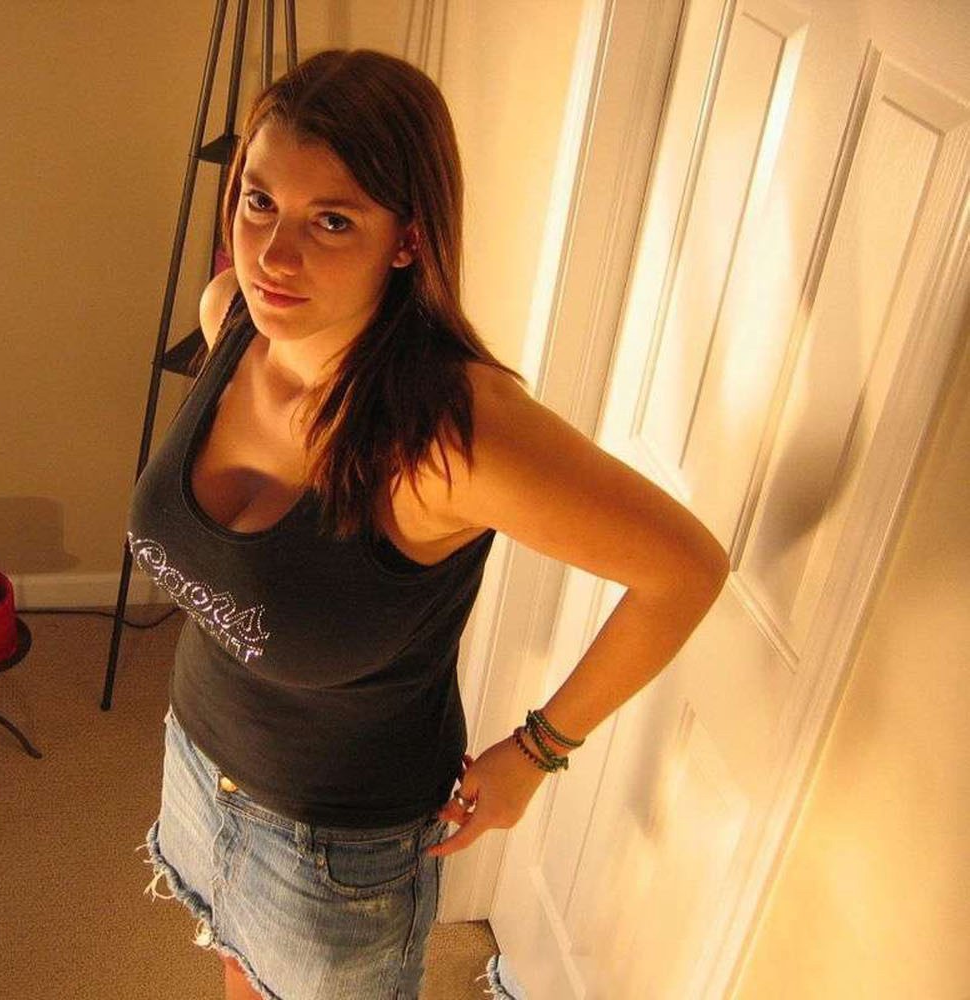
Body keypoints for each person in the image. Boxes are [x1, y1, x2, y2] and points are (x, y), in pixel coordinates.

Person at [128, 48, 728, 1000]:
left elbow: (684, 569)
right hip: (199, 758)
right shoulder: (230, 318)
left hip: (335, 843)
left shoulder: (453, 437)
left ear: (406, 239)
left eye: (331, 220)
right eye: (258, 201)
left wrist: (537, 751)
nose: (272, 256)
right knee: (235, 966)